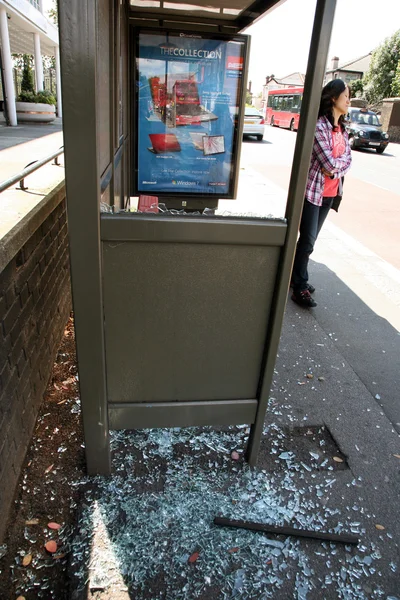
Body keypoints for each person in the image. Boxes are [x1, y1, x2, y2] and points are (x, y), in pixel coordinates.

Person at [291, 79, 352, 308]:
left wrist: (337, 168)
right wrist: (338, 167)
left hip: (330, 193)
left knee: (311, 241)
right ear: (334, 98)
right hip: (313, 193)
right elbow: (328, 163)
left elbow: (348, 159)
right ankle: (299, 287)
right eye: (346, 96)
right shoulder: (320, 127)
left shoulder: (342, 129)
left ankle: (297, 276)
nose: (349, 100)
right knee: (306, 240)